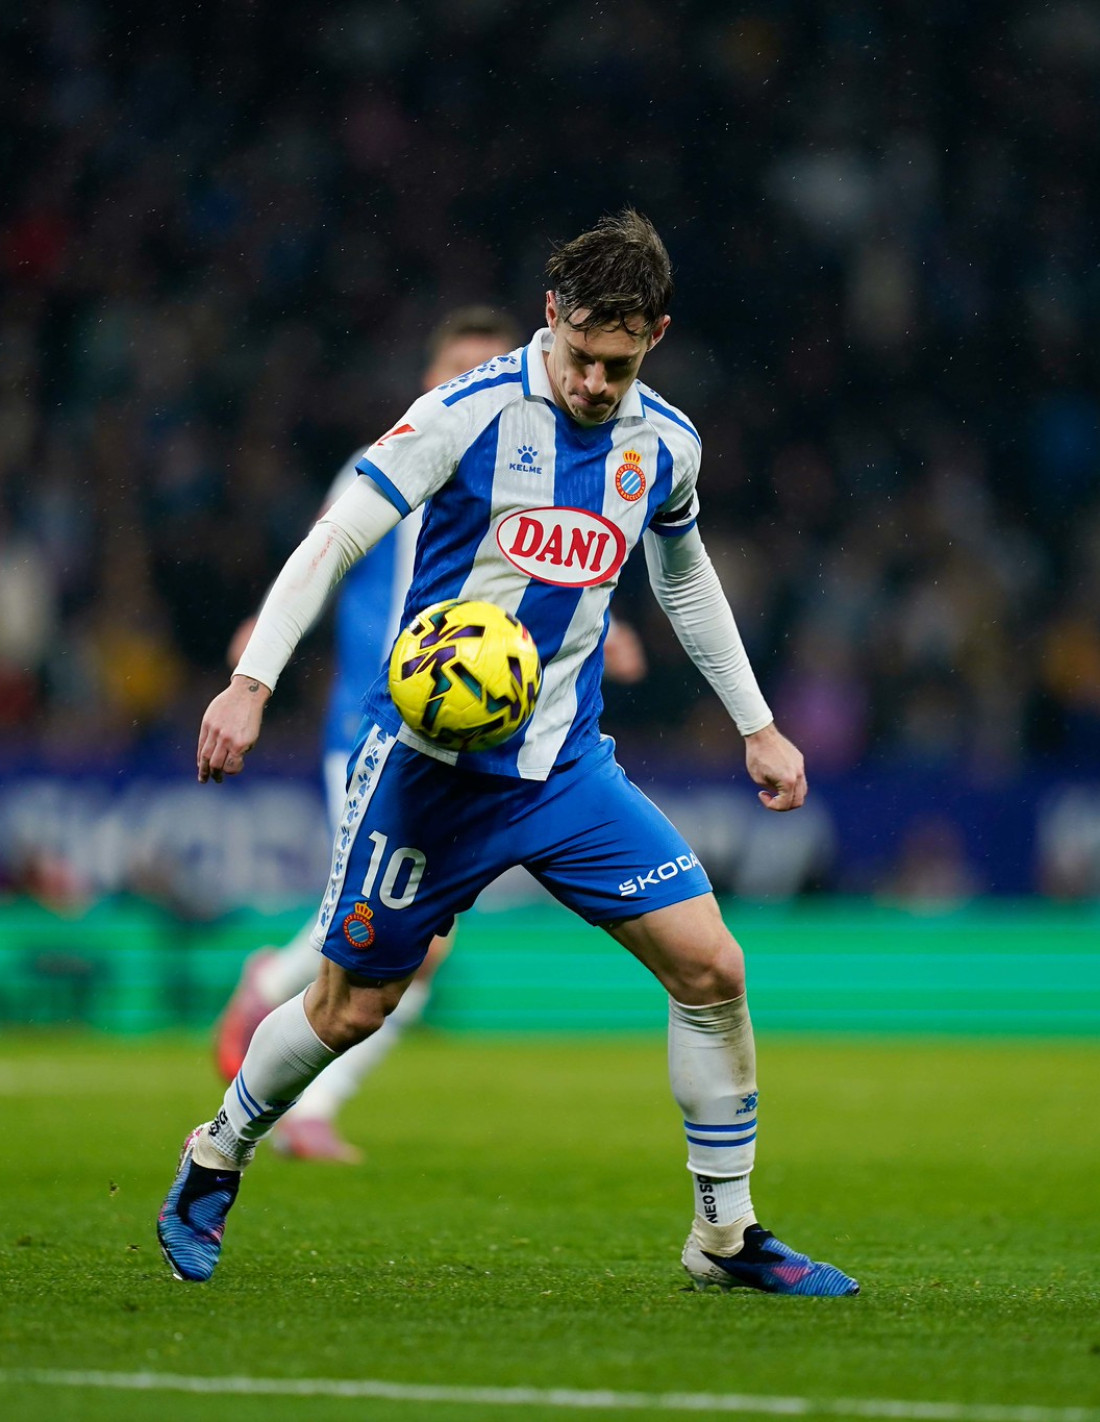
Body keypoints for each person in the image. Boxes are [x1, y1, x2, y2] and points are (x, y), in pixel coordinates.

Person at [158, 210, 858, 1297]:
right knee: (352, 1007)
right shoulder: (466, 411)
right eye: (579, 354)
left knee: (712, 968)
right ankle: (217, 1153)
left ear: (656, 337)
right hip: (428, 769)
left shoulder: (665, 443)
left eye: (618, 362)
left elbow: (682, 576)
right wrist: (251, 684)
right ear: (550, 314)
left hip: (566, 771)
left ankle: (724, 1236)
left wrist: (755, 723)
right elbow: (336, 536)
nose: (593, 381)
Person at [214, 307, 647, 1163]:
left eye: (488, 365)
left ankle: (284, 1029)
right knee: (406, 939)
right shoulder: (395, 452)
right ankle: (295, 1073)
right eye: (457, 367)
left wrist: (605, 631)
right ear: (428, 379)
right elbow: (330, 546)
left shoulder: (526, 458)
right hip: (376, 727)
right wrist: (263, 642)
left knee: (411, 943)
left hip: (478, 734)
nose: (473, 381)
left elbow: (537, 581)